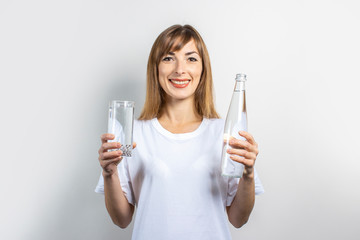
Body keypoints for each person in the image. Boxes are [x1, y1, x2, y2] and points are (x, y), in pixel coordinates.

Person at [95, 24, 264, 239]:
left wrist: (248, 174)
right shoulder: (132, 134)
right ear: (155, 68)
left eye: (191, 58)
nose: (179, 69)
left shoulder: (225, 133)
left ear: (203, 70)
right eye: (168, 58)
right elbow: (122, 219)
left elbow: (239, 219)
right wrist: (109, 173)